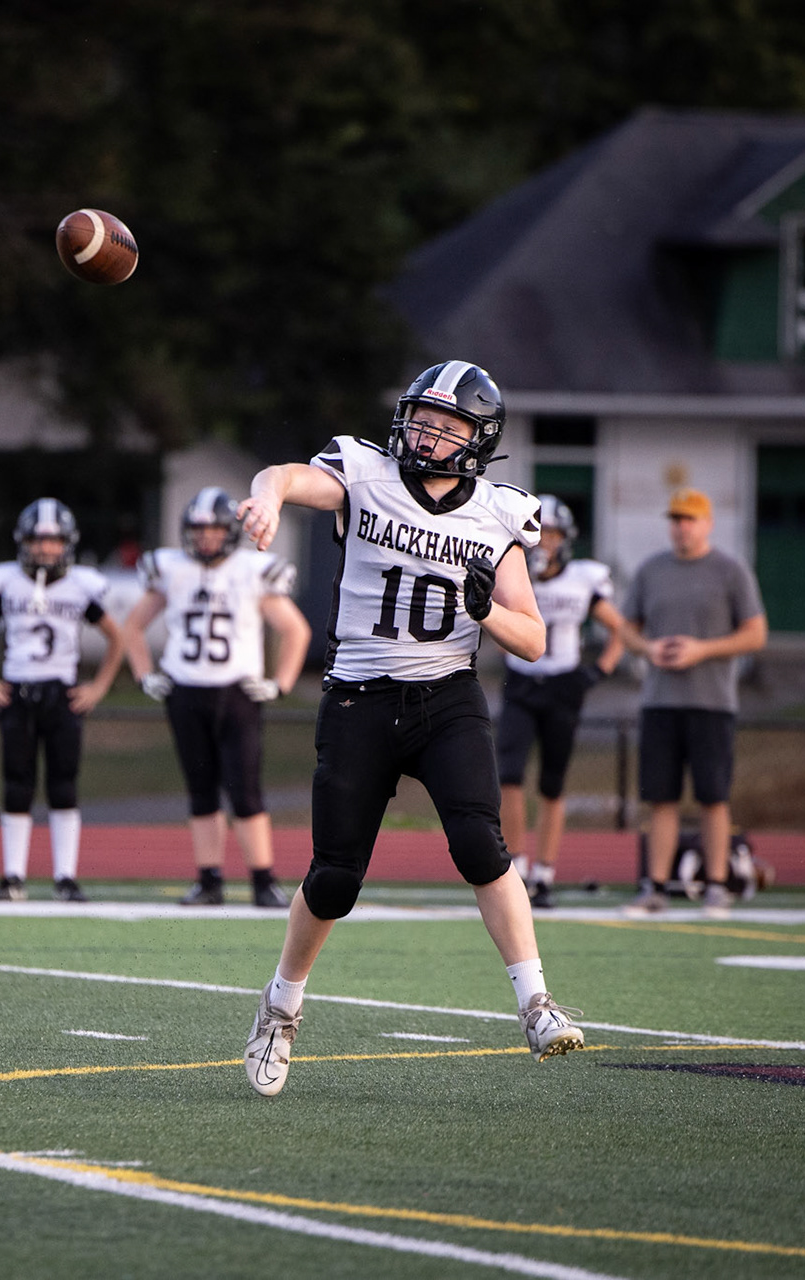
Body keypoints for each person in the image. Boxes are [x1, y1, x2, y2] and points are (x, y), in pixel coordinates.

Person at [236, 360, 585, 1098]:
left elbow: (534, 641)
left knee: (479, 843)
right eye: (421, 418)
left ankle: (536, 1003)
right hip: (359, 697)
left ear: (477, 438)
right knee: (334, 879)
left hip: (445, 697)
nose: (426, 433)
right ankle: (280, 1007)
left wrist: (489, 609)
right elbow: (293, 477)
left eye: (445, 423)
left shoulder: (499, 513)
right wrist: (266, 494)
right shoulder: (364, 474)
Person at [118, 487, 310, 907]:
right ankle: (209, 881)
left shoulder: (253, 570)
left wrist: (281, 683)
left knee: (245, 791)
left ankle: (263, 881)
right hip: (185, 690)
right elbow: (131, 628)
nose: (205, 538)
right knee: (201, 790)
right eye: (198, 530)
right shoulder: (170, 568)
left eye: (214, 529)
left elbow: (296, 630)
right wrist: (144, 674)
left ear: (230, 532)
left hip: (237, 693)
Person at [0, 498, 127, 902]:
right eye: (38, 540)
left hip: (60, 693)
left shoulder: (79, 586)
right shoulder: (7, 583)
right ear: (23, 542)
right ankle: (13, 875)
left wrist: (99, 686)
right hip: (18, 691)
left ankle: (65, 877)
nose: (45, 549)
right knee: (16, 785)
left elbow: (117, 637)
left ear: (67, 544)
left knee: (63, 785)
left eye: (53, 541)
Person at [619, 488, 767, 918]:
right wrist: (647, 649)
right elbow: (626, 628)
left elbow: (756, 634)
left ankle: (717, 885)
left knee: (713, 797)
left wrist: (703, 650)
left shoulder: (730, 571)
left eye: (690, 519)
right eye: (676, 519)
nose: (682, 527)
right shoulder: (652, 570)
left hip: (712, 703)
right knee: (661, 798)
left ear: (708, 523)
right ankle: (655, 887)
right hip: (660, 702)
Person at [496, 494, 624, 908]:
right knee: (509, 774)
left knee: (553, 784)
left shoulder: (583, 578)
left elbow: (620, 629)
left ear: (565, 538)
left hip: (563, 685)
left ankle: (545, 873)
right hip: (522, 682)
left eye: (552, 533)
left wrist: (599, 671)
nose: (545, 542)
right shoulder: (512, 574)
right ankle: (515, 868)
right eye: (540, 533)